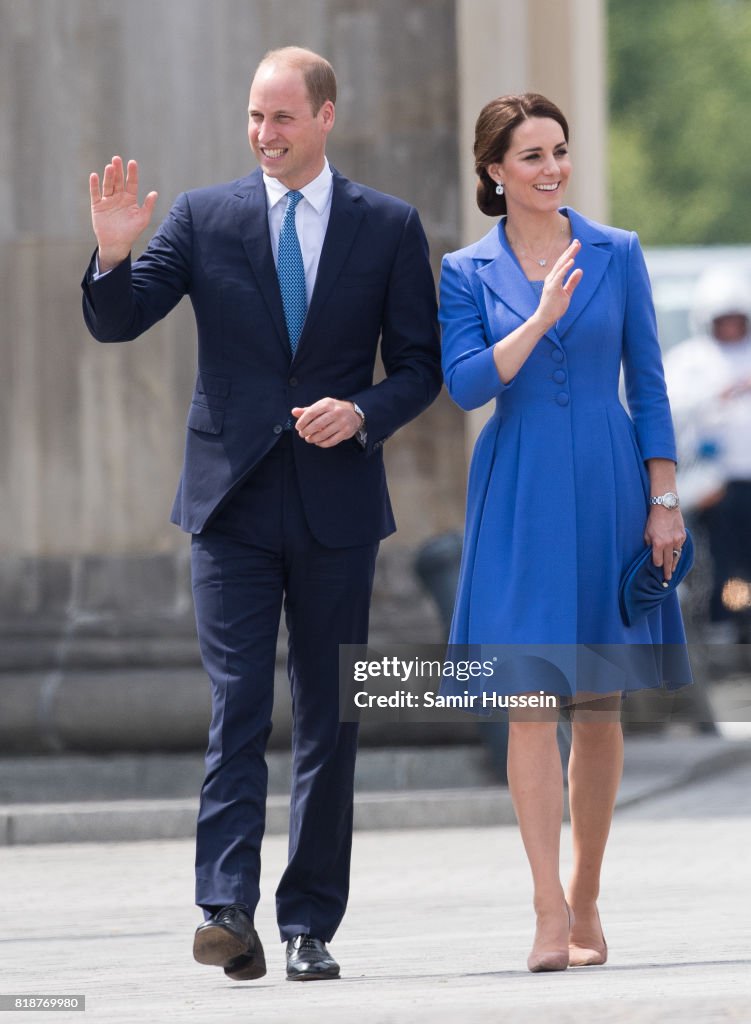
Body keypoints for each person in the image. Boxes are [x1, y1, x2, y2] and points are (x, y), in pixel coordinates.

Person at [82, 46, 441, 982]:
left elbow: (419, 365)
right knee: (237, 703)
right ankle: (225, 908)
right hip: (230, 504)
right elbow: (119, 321)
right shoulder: (205, 217)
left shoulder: (388, 225)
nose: (263, 134)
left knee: (331, 717)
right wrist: (114, 253)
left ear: (326, 116)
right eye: (253, 117)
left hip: (337, 504)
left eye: (282, 117)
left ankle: (309, 923)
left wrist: (362, 411)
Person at [439, 93, 689, 972]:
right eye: (531, 156)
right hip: (517, 492)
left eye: (558, 151)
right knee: (528, 703)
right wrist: (539, 317)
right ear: (493, 172)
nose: (550, 169)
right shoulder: (463, 270)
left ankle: (585, 896)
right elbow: (467, 385)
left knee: (598, 704)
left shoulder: (617, 252)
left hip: (610, 487)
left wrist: (662, 497)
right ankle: (546, 910)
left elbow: (648, 381)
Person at [663, 266, 751, 641]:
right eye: (723, 319)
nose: (730, 327)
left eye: (736, 319)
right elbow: (671, 409)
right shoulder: (690, 359)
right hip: (716, 481)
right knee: (728, 558)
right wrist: (719, 395)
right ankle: (730, 622)